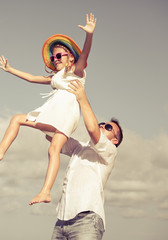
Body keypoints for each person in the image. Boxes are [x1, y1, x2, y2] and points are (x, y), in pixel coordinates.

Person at [0, 13, 97, 205]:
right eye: (53, 56)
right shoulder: (56, 77)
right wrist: (11, 70)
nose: (55, 58)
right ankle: (45, 192)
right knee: (53, 149)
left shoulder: (76, 71)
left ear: (70, 58)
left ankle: (1, 150)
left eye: (60, 55)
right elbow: (32, 78)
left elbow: (85, 54)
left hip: (65, 114)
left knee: (19, 120)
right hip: (57, 113)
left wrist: (89, 35)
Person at [47, 79, 123, 240]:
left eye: (108, 127)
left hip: (87, 221)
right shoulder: (79, 147)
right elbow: (51, 134)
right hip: (61, 221)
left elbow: (92, 129)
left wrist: (82, 98)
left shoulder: (109, 152)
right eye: (102, 124)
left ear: (115, 140)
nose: (103, 126)